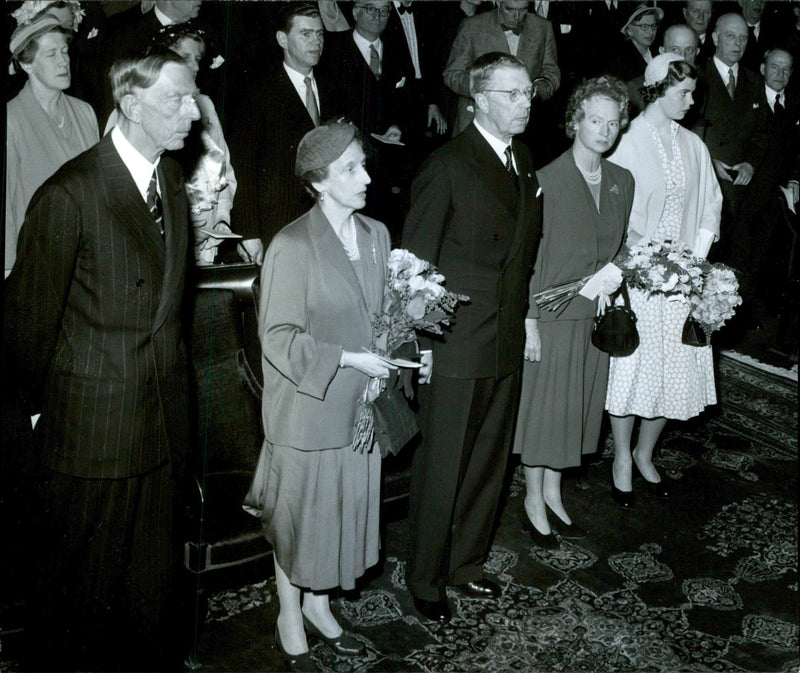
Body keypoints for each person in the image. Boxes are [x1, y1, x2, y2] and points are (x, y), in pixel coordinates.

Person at [4, 50, 199, 669]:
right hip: (94, 435)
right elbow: (24, 328)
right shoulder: (70, 194)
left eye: (193, 97)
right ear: (132, 105)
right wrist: (41, 414)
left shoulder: (168, 180)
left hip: (162, 426)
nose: (193, 112)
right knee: (77, 608)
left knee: (149, 600)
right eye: (178, 99)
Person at [252, 121, 422, 672]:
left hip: (359, 408)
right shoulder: (292, 245)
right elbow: (277, 337)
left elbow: (384, 314)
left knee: (340, 515)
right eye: (351, 168)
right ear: (319, 181)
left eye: (363, 164)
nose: (367, 176)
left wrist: (406, 347)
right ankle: (289, 613)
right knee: (300, 518)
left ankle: (320, 607)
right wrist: (348, 359)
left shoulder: (376, 235)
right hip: (309, 407)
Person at [402, 52, 542, 623]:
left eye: (528, 92)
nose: (525, 103)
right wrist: (422, 348)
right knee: (443, 466)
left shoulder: (524, 160)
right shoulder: (449, 165)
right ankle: (426, 577)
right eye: (512, 93)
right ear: (479, 99)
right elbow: (414, 265)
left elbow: (522, 258)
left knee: (488, 463)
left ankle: (466, 564)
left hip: (504, 338)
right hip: (455, 343)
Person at [513, 76, 634, 546]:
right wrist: (529, 324)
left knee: (575, 413)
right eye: (594, 120)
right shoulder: (546, 180)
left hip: (595, 315)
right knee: (546, 412)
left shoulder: (622, 180)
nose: (604, 130)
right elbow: (528, 260)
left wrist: (616, 271)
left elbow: (622, 246)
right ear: (575, 122)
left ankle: (554, 492)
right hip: (552, 313)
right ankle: (532, 498)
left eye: (613, 122)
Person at [606, 53, 722, 508]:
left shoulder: (693, 144)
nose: (692, 101)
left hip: (683, 276)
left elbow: (710, 204)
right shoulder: (627, 139)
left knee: (673, 370)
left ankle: (645, 453)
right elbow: (614, 207)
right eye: (683, 93)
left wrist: (696, 262)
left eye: (692, 92)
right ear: (656, 90)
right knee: (634, 369)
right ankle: (620, 458)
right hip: (640, 275)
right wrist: (650, 257)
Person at [105, 22, 237, 265]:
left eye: (197, 58)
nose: (195, 66)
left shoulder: (204, 106)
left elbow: (224, 168)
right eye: (185, 57)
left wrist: (222, 218)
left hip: (204, 247)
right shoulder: (132, 112)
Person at [231, 2, 343, 264]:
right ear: (283, 38)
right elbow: (244, 165)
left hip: (330, 218)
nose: (316, 42)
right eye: (306, 34)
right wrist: (249, 232)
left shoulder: (336, 87)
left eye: (319, 34)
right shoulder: (258, 93)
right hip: (280, 223)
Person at [5, 10, 99, 277]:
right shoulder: (12, 119)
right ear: (27, 65)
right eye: (51, 54)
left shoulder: (85, 112)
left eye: (65, 52)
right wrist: (9, 270)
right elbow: (7, 210)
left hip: (86, 261)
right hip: (37, 263)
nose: (63, 62)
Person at [692, 13, 768, 267]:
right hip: (706, 185)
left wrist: (750, 163)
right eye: (731, 36)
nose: (738, 43)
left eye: (743, 38)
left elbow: (762, 132)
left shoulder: (754, 80)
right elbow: (688, 131)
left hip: (743, 189)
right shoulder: (697, 77)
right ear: (715, 38)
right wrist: (709, 162)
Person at [443, 0, 560, 136]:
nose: (517, 17)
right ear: (498, 3)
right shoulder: (472, 26)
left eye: (523, 10)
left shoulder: (543, 27)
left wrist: (535, 92)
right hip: (477, 122)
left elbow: (552, 73)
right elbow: (452, 74)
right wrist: (484, 91)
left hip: (524, 126)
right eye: (509, 10)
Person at [628, 23, 701, 118]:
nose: (682, 56)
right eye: (675, 49)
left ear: (697, 52)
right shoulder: (636, 89)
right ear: (662, 51)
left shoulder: (703, 88)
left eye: (689, 50)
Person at [609, 2, 664, 83]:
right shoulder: (621, 62)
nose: (651, 32)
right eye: (644, 26)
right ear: (630, 30)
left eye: (653, 26)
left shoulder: (659, 54)